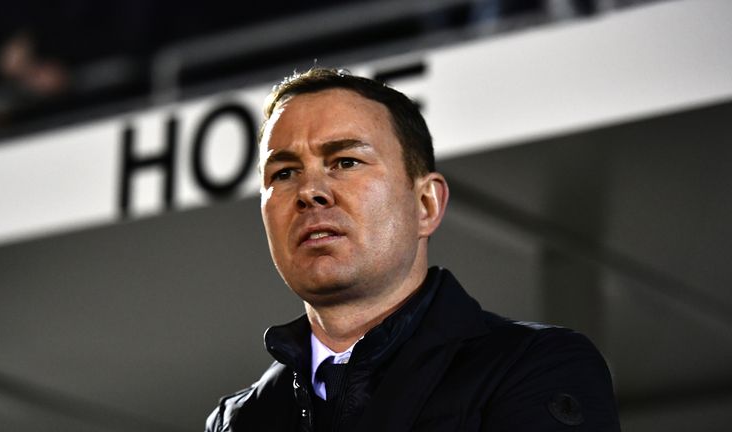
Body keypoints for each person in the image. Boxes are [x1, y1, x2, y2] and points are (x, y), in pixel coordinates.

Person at [205, 68, 620, 431]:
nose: (310, 191)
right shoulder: (237, 422)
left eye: (346, 161)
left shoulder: (535, 367)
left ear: (426, 204)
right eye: (285, 172)